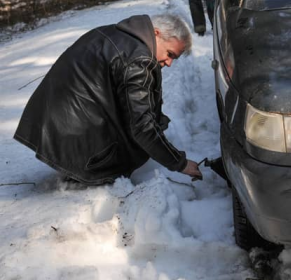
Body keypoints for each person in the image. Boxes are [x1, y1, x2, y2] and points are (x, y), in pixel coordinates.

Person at [14, 14, 203, 185]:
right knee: (135, 147)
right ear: (156, 33)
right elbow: (142, 127)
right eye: (170, 54)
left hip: (49, 126)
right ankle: (92, 171)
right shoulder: (139, 59)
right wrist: (180, 163)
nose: (169, 63)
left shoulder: (111, 31)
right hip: (75, 139)